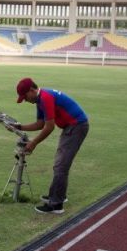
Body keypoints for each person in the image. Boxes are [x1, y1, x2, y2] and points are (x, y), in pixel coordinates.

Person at [11, 77, 89, 214]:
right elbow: (40, 124)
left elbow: (49, 127)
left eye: (25, 96)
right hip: (71, 127)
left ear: (31, 90)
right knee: (61, 164)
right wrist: (19, 126)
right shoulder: (40, 99)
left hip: (76, 127)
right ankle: (58, 196)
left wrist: (33, 143)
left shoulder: (45, 98)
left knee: (61, 165)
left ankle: (56, 205)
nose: (25, 100)